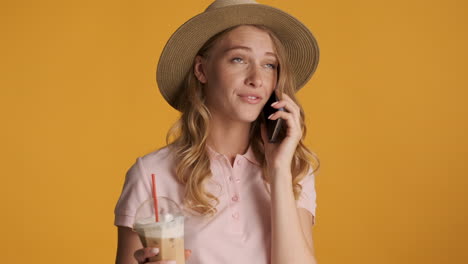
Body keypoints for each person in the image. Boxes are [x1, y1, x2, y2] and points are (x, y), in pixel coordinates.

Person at [114, 0, 321, 263]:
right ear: (202, 70)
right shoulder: (151, 173)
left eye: (269, 65)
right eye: (238, 59)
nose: (257, 79)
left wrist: (279, 169)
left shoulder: (295, 169)